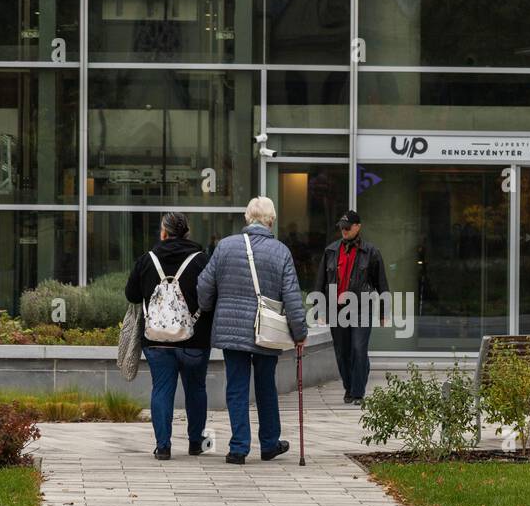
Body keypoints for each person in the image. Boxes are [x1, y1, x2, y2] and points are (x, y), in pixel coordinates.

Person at [197, 196, 308, 464]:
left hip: (231, 330)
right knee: (265, 386)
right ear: (271, 220)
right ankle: (269, 443)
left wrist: (210, 306)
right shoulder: (280, 251)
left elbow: (204, 285)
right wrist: (300, 333)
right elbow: (292, 297)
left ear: (247, 218)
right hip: (266, 332)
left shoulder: (225, 247)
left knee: (236, 387)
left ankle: (238, 447)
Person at [124, 211, 213, 460]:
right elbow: (211, 296)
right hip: (195, 339)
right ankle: (197, 442)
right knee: (196, 389)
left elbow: (131, 295)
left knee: (161, 389)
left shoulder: (146, 260)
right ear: (187, 232)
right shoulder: (201, 260)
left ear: (164, 232)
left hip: (156, 340)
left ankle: (163, 446)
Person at [314, 209, 390, 405]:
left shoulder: (371, 252)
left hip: (361, 308)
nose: (344, 231)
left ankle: (358, 393)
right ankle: (349, 387)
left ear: (358, 227)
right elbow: (320, 282)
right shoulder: (331, 251)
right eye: (342, 228)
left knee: (358, 348)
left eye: (348, 228)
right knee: (342, 352)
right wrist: (318, 310)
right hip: (337, 309)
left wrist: (383, 312)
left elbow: (382, 284)